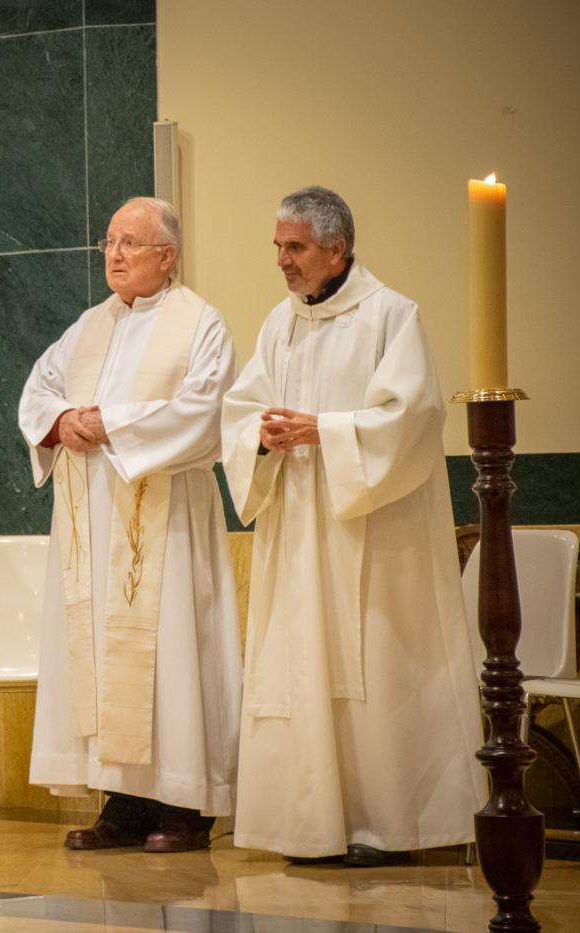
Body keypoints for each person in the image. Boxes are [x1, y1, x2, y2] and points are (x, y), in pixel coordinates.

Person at [221, 186, 484, 866]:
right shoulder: (280, 324)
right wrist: (261, 436)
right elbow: (241, 408)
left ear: (338, 249)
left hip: (373, 533)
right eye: (278, 246)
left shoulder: (391, 316)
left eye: (296, 247)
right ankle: (308, 825)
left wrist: (325, 431)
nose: (282, 260)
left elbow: (415, 418)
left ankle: (386, 826)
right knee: (300, 665)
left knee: (378, 664)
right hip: (299, 529)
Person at [18, 197, 241, 853]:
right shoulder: (89, 324)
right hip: (96, 512)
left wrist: (110, 424)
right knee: (102, 656)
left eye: (130, 243)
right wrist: (62, 423)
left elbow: (205, 410)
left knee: (171, 652)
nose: (114, 254)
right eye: (109, 241)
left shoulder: (201, 324)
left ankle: (185, 802)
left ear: (165, 256)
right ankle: (125, 799)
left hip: (163, 517)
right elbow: (39, 389)